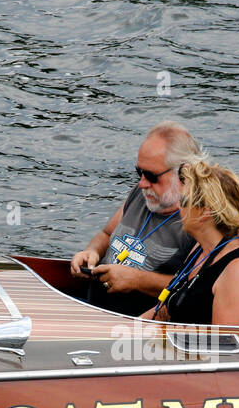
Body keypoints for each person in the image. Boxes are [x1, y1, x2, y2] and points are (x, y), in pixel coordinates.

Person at [70, 121, 201, 316]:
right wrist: (92, 252)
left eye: (151, 175)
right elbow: (106, 234)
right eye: (139, 172)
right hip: (93, 308)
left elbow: (197, 289)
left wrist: (137, 280)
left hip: (136, 326)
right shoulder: (142, 194)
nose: (142, 183)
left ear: (185, 173)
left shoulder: (201, 218)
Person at [145, 159, 239, 327]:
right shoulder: (200, 249)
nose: (178, 206)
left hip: (198, 351)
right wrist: (120, 331)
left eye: (183, 201)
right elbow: (165, 311)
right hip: (176, 345)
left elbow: (221, 345)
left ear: (205, 212)